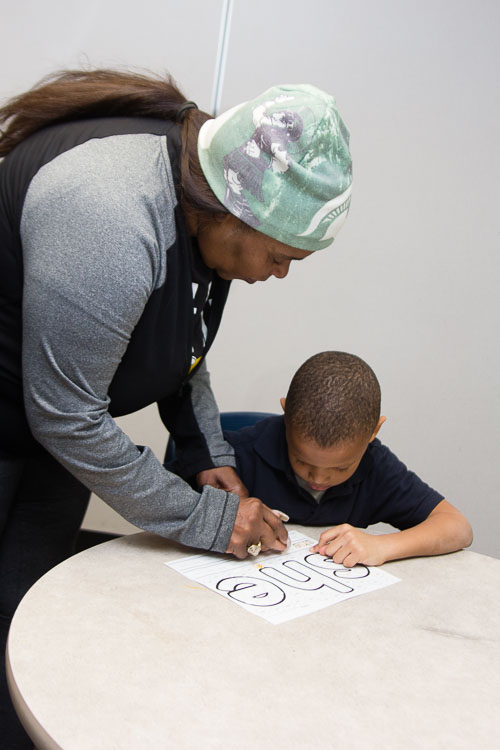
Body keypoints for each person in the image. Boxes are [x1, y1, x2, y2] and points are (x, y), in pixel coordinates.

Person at [0, 69, 352, 747]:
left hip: (47, 434)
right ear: (234, 210)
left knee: (24, 623)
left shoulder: (200, 204)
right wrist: (205, 518)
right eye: (280, 257)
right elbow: (67, 417)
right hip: (33, 418)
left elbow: (178, 339)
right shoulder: (111, 216)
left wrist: (204, 452)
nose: (279, 275)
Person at [220, 351, 473, 567]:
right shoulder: (235, 454)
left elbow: (457, 527)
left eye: (341, 467)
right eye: (302, 461)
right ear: (286, 416)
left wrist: (381, 546)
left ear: (374, 431)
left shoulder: (376, 467)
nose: (318, 478)